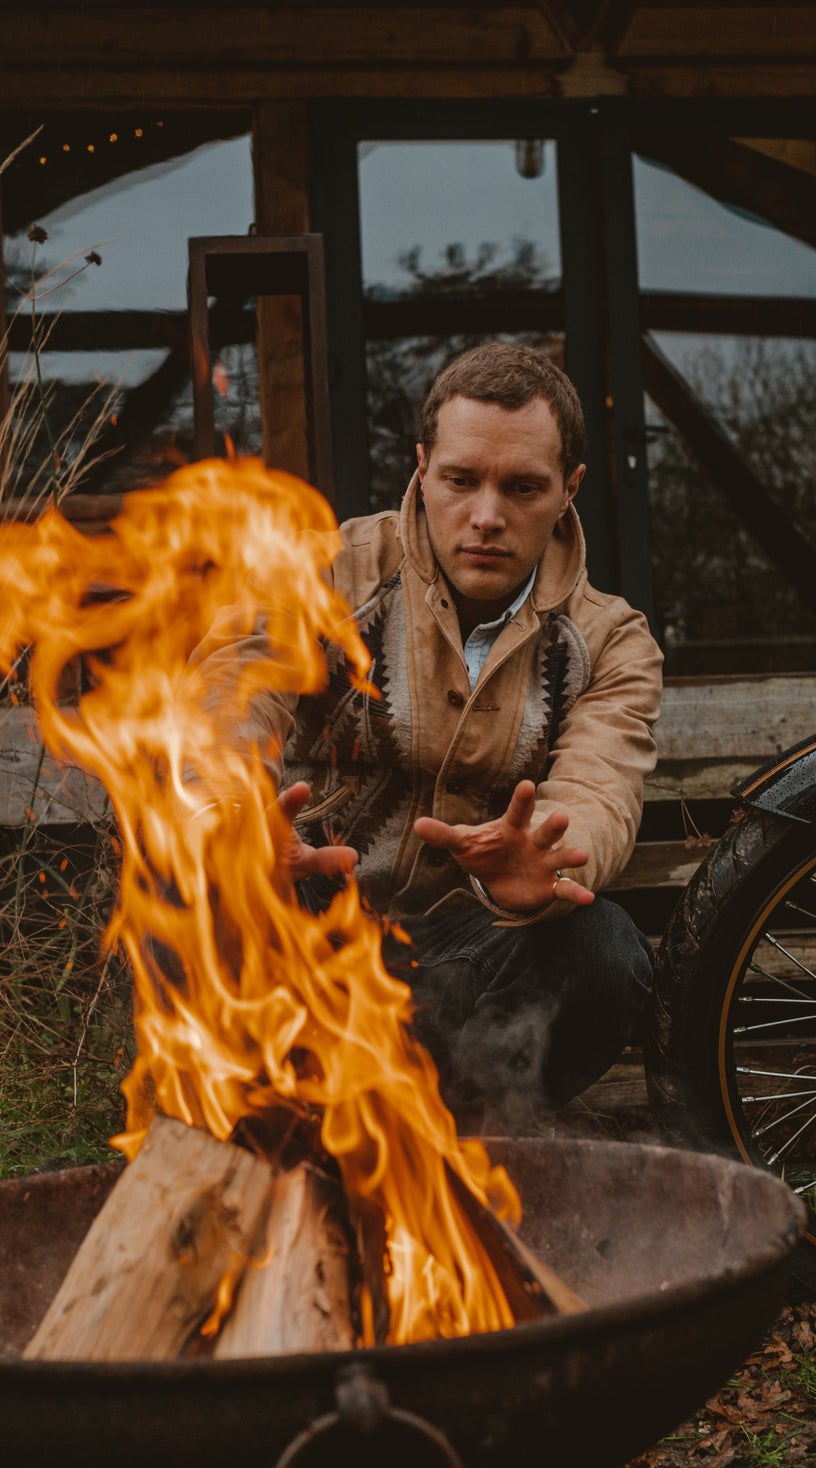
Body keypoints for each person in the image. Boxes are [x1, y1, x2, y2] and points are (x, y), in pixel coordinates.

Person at [197, 342, 663, 1130]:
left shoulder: (612, 642)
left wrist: (548, 857)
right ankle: (277, 1133)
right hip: (308, 935)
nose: (487, 516)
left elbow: (599, 786)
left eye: (522, 488)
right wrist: (233, 816)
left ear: (569, 489)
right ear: (421, 468)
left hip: (471, 967)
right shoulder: (327, 570)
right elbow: (227, 697)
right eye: (460, 481)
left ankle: (414, 1145)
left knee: (606, 953)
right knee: (193, 881)